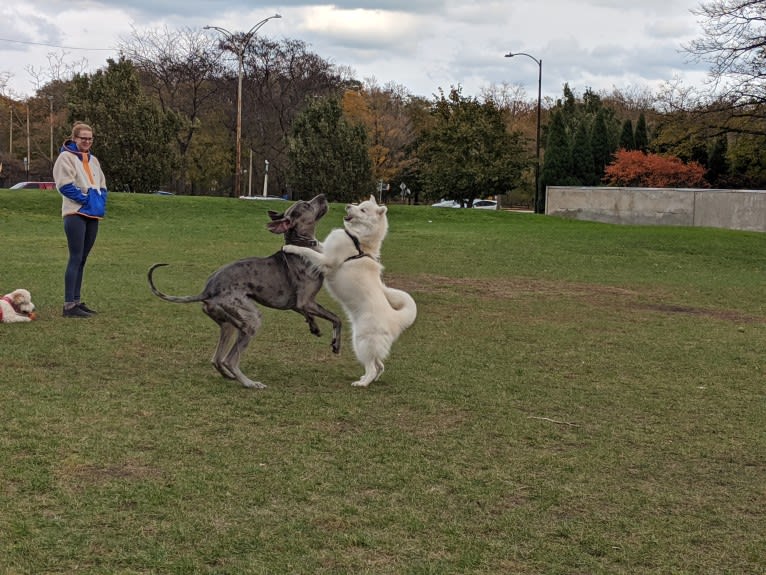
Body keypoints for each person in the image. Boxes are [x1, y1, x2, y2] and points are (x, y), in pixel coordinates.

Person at [53, 122, 108, 318]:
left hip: (92, 214)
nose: (86, 141)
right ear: (75, 138)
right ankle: (69, 305)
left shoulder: (93, 160)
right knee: (75, 257)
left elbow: (101, 184)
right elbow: (64, 186)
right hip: (75, 213)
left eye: (89, 138)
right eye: (82, 138)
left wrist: (99, 201)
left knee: (83, 259)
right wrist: (86, 199)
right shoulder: (65, 158)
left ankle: (76, 300)